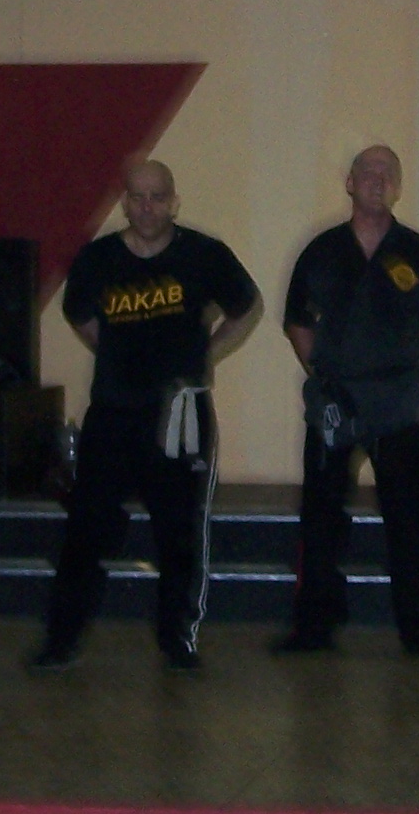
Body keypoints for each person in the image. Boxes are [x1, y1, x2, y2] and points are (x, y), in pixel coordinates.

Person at [33, 160, 258, 674]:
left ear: (174, 202)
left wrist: (203, 355)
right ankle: (61, 640)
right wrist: (121, 357)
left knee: (179, 534)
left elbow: (246, 307)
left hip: (179, 417)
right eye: (138, 197)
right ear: (125, 203)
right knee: (86, 531)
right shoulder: (97, 259)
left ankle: (176, 639)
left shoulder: (204, 254)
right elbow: (80, 316)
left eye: (158, 197)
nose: (148, 207)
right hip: (113, 414)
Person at [276, 144, 419, 658]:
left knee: (409, 516)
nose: (378, 180)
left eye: (387, 173)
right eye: (368, 171)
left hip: (396, 402)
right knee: (320, 515)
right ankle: (314, 626)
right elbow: (297, 323)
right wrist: (326, 375)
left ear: (397, 187)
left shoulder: (418, 252)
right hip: (335, 401)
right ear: (349, 182)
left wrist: (400, 376)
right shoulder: (322, 251)